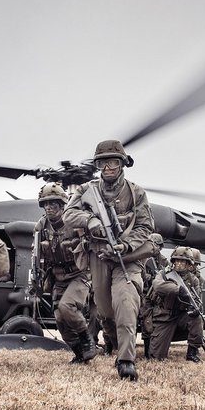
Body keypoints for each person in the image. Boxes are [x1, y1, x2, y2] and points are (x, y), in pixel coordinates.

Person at [63, 140, 155, 381]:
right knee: (104, 309)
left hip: (128, 258)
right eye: (103, 163)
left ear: (122, 163)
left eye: (113, 161)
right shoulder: (87, 190)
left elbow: (146, 226)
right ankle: (112, 340)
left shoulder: (136, 193)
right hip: (99, 256)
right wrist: (90, 220)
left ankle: (126, 360)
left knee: (126, 301)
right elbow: (68, 215)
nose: (108, 168)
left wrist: (126, 244)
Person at [34, 182, 96, 364]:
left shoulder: (75, 223)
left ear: (62, 205)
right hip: (58, 276)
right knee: (60, 319)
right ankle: (80, 354)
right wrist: (37, 278)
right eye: (45, 204)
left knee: (67, 307)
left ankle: (87, 340)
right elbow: (36, 254)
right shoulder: (41, 226)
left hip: (79, 273)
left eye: (53, 203)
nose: (49, 207)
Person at [148, 246, 204, 363]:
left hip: (182, 316)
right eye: (177, 260)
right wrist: (179, 290)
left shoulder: (193, 280)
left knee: (197, 318)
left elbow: (198, 301)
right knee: (156, 357)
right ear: (173, 261)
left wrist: (195, 308)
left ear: (189, 264)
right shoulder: (163, 274)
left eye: (183, 261)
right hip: (165, 316)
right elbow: (158, 286)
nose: (179, 264)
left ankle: (192, 352)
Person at [140, 233, 169, 358]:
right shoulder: (143, 258)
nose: (154, 247)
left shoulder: (164, 261)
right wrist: (151, 277)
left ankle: (156, 349)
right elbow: (139, 276)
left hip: (158, 295)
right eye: (152, 244)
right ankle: (147, 352)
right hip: (146, 294)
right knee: (147, 321)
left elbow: (168, 276)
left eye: (157, 245)